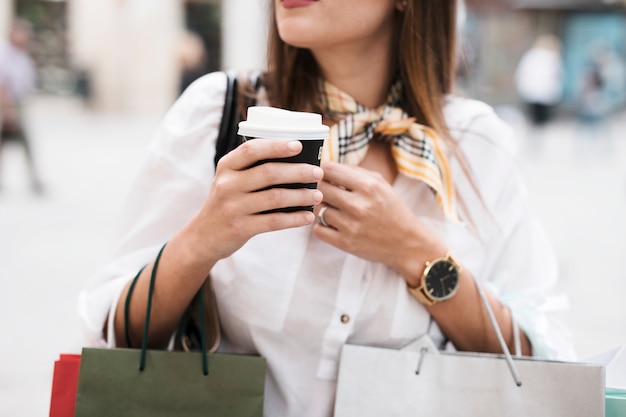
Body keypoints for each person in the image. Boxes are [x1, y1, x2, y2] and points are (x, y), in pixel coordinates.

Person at [80, 1, 576, 415]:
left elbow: (541, 359)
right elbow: (112, 334)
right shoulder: (217, 113)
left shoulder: (475, 146)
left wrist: (420, 256)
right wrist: (201, 242)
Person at [0, 18, 42, 192]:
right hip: (8, 105)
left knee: (25, 145)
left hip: (18, 103)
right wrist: (8, 110)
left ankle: (34, 181)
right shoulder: (5, 54)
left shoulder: (21, 54)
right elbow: (3, 83)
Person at [515, 34, 564, 126]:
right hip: (544, 93)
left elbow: (522, 73)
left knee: (534, 117)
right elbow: (556, 77)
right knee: (542, 119)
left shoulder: (530, 55)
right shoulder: (552, 57)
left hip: (531, 92)